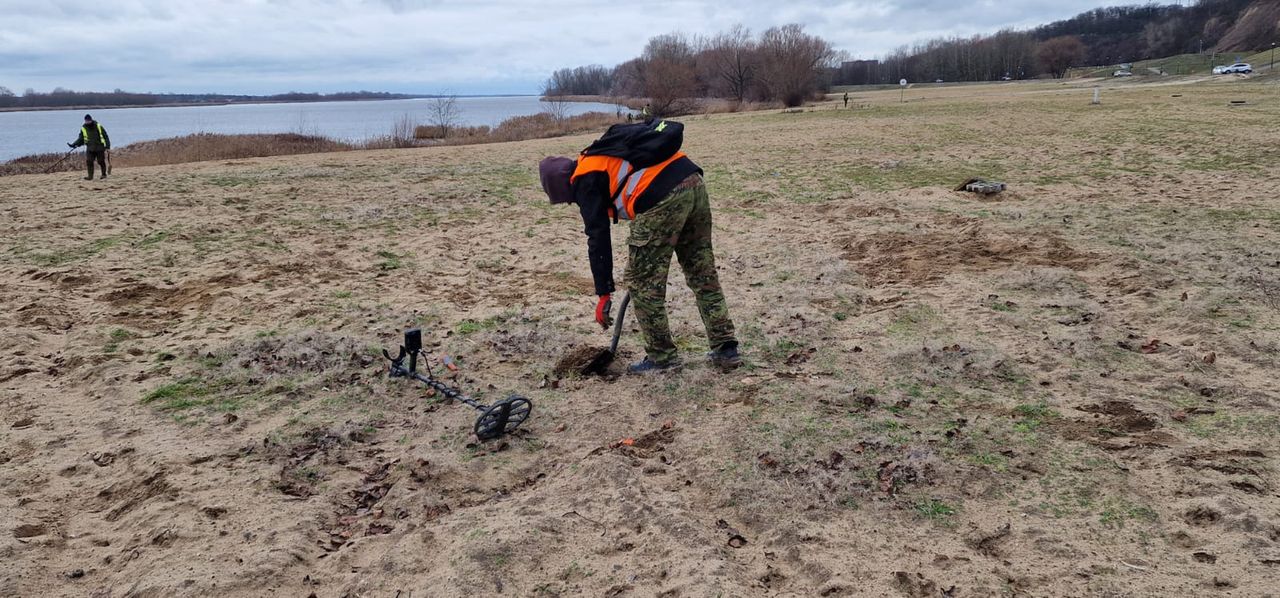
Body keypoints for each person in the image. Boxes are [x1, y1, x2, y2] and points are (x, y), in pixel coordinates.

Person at [539, 122, 740, 374]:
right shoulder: (598, 157)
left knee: (642, 283)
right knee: (702, 273)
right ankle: (726, 348)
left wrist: (603, 294)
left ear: (561, 186)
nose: (571, 203)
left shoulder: (584, 180)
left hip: (661, 196)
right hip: (693, 181)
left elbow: (597, 238)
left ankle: (662, 357)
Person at [69, 114, 110, 180]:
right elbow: (81, 138)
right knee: (89, 161)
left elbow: (105, 136)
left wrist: (108, 146)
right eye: (86, 121)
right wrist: (74, 144)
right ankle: (90, 176)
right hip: (90, 148)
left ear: (91, 120)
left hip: (99, 147)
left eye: (88, 121)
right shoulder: (83, 128)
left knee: (100, 161)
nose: (87, 122)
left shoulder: (98, 126)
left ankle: (103, 174)